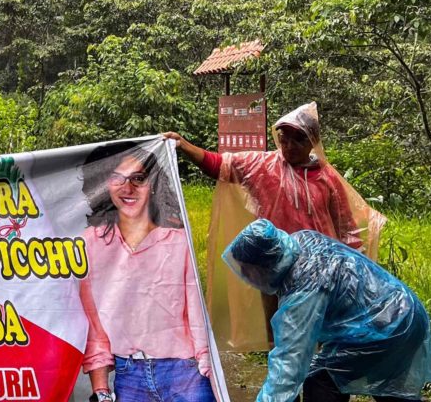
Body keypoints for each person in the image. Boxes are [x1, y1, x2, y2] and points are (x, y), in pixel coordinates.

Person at [163, 102, 385, 351]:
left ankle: (315, 384)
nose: (289, 146)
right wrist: (183, 145)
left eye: (297, 140)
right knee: (279, 337)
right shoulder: (263, 167)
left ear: (313, 141)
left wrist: (357, 268)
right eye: (284, 139)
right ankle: (284, 387)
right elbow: (219, 165)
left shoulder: (327, 178)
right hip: (275, 267)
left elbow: (347, 229)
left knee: (318, 335)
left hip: (318, 269)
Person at [223, 220, 431, 402]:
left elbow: (289, 367)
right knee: (388, 384)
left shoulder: (304, 292)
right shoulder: (299, 242)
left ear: (264, 266)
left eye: (247, 271)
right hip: (406, 310)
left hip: (385, 328)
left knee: (321, 379)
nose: (248, 279)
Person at [78, 142, 215, 402]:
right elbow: (93, 325)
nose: (127, 188)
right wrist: (102, 391)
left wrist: (207, 366)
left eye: (138, 179)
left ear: (152, 184)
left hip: (185, 372)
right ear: (104, 186)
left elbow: (197, 312)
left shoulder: (178, 241)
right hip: (129, 377)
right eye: (117, 178)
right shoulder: (90, 244)